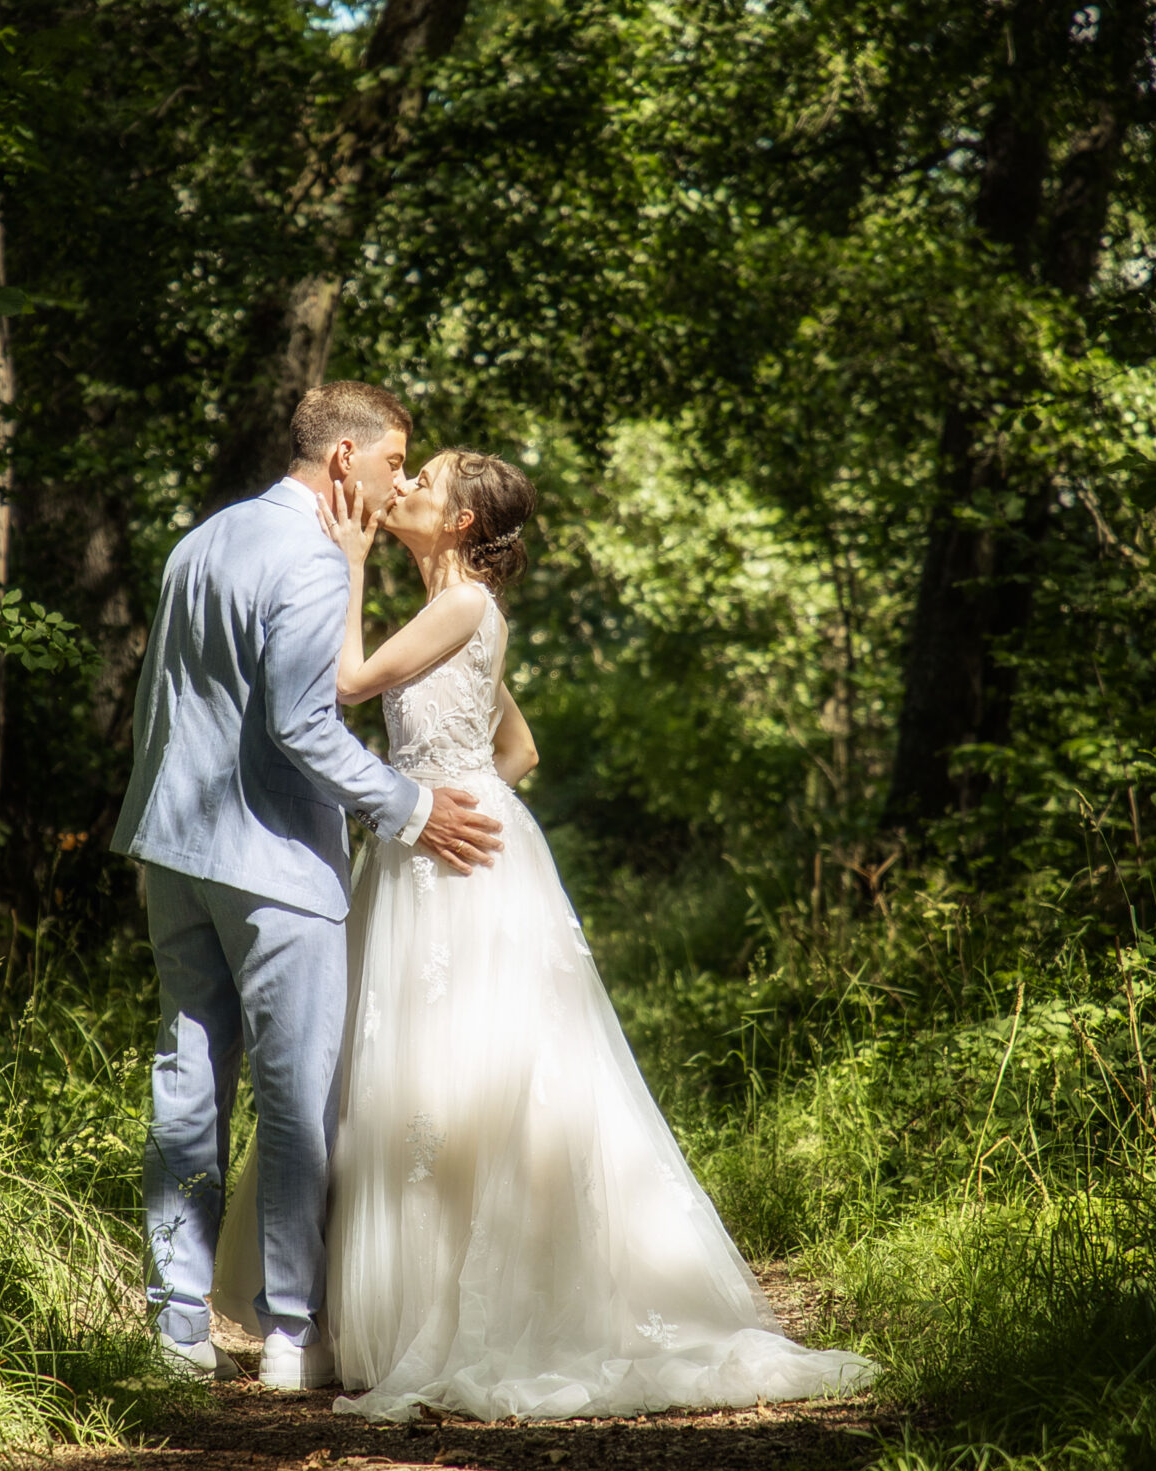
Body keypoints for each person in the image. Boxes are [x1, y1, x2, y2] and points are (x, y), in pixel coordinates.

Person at [217, 445, 873, 1418]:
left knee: (456, 1068)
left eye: (425, 483)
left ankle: (449, 1315)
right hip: (438, 843)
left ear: (461, 523)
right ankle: (392, 1315)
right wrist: (465, 787)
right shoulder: (460, 613)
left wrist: (349, 560)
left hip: (451, 860)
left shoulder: (462, 604)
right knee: (415, 1074)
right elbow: (517, 746)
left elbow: (348, 682)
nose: (406, 488)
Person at [111, 383, 503, 1392]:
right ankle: (290, 1330)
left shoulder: (201, 541)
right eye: (391, 462)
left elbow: (166, 698)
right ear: (343, 461)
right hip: (275, 861)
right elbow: (302, 723)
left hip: (173, 849)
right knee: (296, 1093)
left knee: (187, 1077)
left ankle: (175, 1324)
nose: (395, 482)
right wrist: (409, 808)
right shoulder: (314, 557)